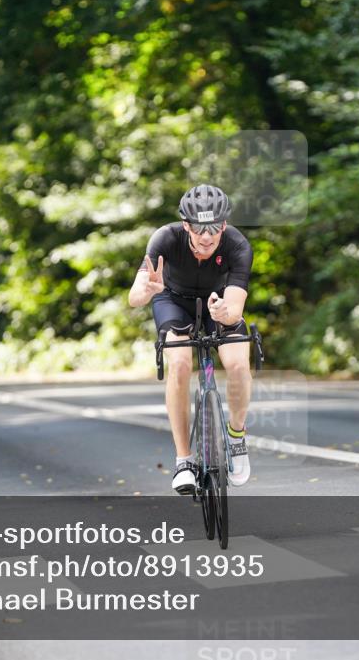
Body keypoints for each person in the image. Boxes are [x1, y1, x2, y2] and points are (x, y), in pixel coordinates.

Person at [128, 184, 254, 494]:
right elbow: (134, 297)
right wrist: (145, 291)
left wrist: (223, 312)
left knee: (238, 365)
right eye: (199, 227)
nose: (207, 235)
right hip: (172, 299)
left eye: (214, 227)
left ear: (224, 225)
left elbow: (235, 309)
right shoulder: (164, 239)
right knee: (181, 364)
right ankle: (184, 460)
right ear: (186, 225)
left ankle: (236, 437)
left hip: (219, 303)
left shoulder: (237, 245)